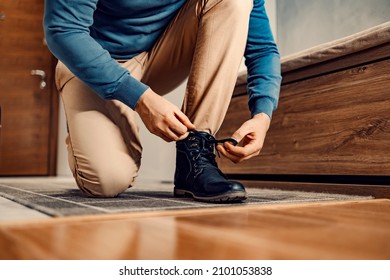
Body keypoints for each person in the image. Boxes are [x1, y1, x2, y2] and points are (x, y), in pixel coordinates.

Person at [44, 0, 281, 203]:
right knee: (107, 181)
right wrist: (139, 98)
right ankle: (90, 120)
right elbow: (64, 30)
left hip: (162, 54)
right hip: (96, 60)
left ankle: (195, 155)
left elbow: (262, 49)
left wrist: (262, 114)